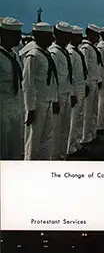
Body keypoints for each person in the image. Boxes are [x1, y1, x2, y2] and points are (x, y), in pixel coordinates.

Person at [23, 22, 58, 160]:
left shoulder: (46, 54)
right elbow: (28, 84)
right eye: (49, 36)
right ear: (39, 36)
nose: (52, 39)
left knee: (47, 138)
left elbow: (53, 80)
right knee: (33, 140)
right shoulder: (33, 56)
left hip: (47, 101)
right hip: (37, 104)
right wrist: (30, 108)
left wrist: (54, 99)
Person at [49, 21, 75, 160]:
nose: (68, 39)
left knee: (65, 129)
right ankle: (54, 159)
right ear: (58, 35)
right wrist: (55, 100)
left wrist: (71, 93)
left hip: (66, 94)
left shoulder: (64, 51)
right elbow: (53, 79)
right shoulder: (54, 53)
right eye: (66, 35)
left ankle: (62, 156)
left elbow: (68, 76)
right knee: (56, 130)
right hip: (58, 96)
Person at [0, 17, 24, 160]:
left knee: (14, 149)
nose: (19, 38)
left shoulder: (14, 55)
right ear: (3, 35)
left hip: (15, 107)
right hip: (1, 109)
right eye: (15, 34)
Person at [67, 25, 89, 156]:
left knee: (79, 117)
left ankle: (76, 142)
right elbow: (70, 75)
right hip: (74, 89)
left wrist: (85, 85)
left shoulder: (77, 51)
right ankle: (69, 146)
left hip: (81, 88)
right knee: (73, 119)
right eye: (78, 36)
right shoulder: (70, 53)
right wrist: (72, 93)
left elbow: (82, 72)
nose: (81, 38)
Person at [80, 24, 103, 144]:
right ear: (89, 34)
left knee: (94, 110)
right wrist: (86, 83)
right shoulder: (85, 48)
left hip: (95, 81)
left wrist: (98, 79)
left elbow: (97, 66)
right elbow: (85, 68)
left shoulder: (93, 48)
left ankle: (92, 134)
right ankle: (85, 137)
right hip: (89, 83)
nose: (97, 37)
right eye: (95, 35)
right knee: (87, 111)